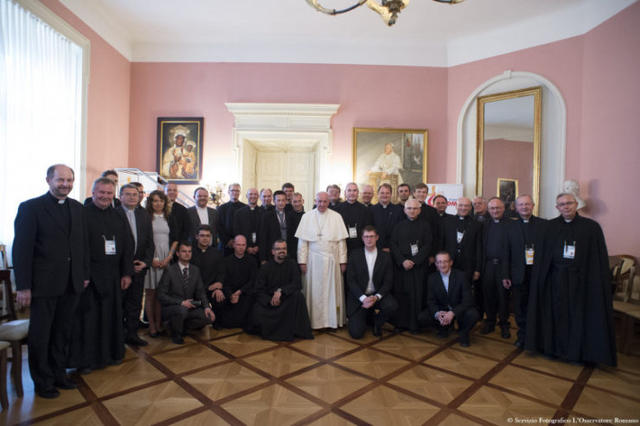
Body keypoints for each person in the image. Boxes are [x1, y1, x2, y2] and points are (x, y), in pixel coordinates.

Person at [13, 164, 88, 398]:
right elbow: (21, 250)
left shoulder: (77, 208)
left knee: (62, 332)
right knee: (41, 335)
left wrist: (84, 274)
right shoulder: (31, 208)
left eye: (69, 180)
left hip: (71, 283)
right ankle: (42, 381)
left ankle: (59, 374)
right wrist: (23, 286)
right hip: (43, 285)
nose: (65, 184)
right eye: (60, 180)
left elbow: (82, 245)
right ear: (48, 180)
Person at [526, 193, 617, 366]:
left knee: (578, 317)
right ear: (557, 207)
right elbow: (542, 258)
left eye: (569, 203)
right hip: (555, 281)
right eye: (562, 204)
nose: (566, 207)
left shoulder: (591, 228)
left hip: (581, 282)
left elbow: (597, 259)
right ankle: (553, 350)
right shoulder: (548, 227)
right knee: (554, 315)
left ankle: (578, 353)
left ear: (576, 205)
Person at [69, 177, 133, 374]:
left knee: (111, 316)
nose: (105, 196)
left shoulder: (118, 215)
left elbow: (128, 245)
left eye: (108, 193)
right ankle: (87, 360)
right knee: (89, 319)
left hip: (113, 275)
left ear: (113, 195)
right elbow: (77, 247)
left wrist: (127, 273)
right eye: (101, 192)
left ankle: (111, 354)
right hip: (90, 277)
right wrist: (83, 274)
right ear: (93, 192)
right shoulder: (82, 213)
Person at [296, 192, 348, 329]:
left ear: (328, 202)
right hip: (313, 261)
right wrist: (302, 261)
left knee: (332, 292)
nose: (322, 204)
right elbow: (302, 242)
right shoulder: (306, 217)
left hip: (332, 260)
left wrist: (343, 261)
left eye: (325, 201)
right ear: (315, 201)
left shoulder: (337, 217)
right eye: (319, 201)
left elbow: (341, 242)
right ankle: (314, 321)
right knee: (314, 292)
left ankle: (332, 321)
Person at [501, 195, 546, 348]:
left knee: (537, 306)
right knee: (519, 308)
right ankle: (522, 336)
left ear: (533, 206)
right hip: (518, 275)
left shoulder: (544, 225)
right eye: (521, 205)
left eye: (527, 204)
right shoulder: (510, 227)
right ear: (516, 207)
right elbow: (505, 252)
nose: (524, 207)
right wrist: (505, 275)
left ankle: (537, 338)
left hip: (538, 274)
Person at [249, 240, 313, 341]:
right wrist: (270, 301)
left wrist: (281, 291)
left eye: (284, 249)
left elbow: (297, 284)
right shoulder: (266, 267)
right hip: (270, 303)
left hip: (285, 299)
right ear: (273, 251)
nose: (281, 251)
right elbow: (258, 290)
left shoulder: (292, 264)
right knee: (256, 310)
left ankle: (296, 331)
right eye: (278, 249)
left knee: (299, 296)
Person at [118, 184, 155, 347]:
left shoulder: (144, 215)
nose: (132, 197)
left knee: (135, 302)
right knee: (119, 304)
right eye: (128, 194)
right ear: (120, 197)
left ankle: (132, 334)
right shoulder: (114, 214)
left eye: (135, 194)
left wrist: (145, 262)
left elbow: (149, 242)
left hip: (139, 267)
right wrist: (125, 265)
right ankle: (118, 336)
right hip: (119, 269)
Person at [157, 242, 216, 344]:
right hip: (173, 307)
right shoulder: (170, 271)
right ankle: (176, 334)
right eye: (184, 251)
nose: (187, 254)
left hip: (190, 306)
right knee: (182, 310)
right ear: (178, 254)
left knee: (208, 317)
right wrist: (181, 302)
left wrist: (207, 307)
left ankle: (181, 327)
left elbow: (200, 292)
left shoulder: (195, 270)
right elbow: (161, 295)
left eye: (189, 251)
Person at [346, 226, 398, 338]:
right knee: (356, 334)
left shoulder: (385, 256)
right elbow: (351, 280)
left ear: (377, 238)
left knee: (392, 306)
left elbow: (388, 281)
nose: (369, 239)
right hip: (359, 298)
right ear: (362, 238)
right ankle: (368, 316)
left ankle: (377, 323)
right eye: (366, 236)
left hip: (377, 296)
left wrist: (376, 297)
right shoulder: (354, 255)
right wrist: (364, 299)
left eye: (371, 236)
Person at [390, 199, 433, 332]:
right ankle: (401, 324)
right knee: (402, 295)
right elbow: (393, 244)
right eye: (409, 208)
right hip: (402, 267)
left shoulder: (426, 226)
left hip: (418, 267)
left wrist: (414, 261)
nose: (412, 211)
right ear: (404, 210)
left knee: (418, 295)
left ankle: (416, 325)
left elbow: (428, 245)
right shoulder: (399, 226)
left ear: (419, 210)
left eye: (415, 208)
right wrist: (402, 261)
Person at [420, 252, 479, 347]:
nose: (442, 265)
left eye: (445, 262)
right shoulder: (432, 278)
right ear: (436, 264)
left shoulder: (461, 276)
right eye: (439, 262)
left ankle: (463, 333)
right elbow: (430, 301)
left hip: (458, 309)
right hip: (442, 309)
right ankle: (444, 328)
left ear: (451, 262)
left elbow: (468, 300)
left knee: (473, 314)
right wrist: (438, 314)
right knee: (423, 317)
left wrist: (453, 313)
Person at [144, 190, 178, 338]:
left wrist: (169, 257)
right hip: (151, 257)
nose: (158, 203)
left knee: (161, 294)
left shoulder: (169, 217)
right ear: (150, 203)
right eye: (155, 201)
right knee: (151, 294)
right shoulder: (146, 217)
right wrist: (151, 259)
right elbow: (143, 240)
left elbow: (175, 238)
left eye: (161, 201)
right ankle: (151, 325)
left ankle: (159, 324)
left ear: (165, 202)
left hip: (166, 257)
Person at [440, 197, 482, 312]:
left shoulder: (476, 225)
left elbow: (479, 248)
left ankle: (462, 317)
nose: (463, 208)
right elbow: (441, 244)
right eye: (461, 205)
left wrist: (477, 269)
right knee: (448, 291)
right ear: (456, 206)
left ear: (470, 207)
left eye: (466, 206)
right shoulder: (447, 222)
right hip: (448, 264)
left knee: (465, 293)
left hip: (468, 266)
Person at [480, 197, 511, 338]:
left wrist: (507, 273)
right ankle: (490, 321)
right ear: (488, 210)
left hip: (504, 267)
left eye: (498, 208)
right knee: (488, 295)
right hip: (488, 266)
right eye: (492, 208)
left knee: (503, 298)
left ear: (503, 209)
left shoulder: (511, 225)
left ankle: (504, 324)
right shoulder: (484, 225)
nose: (495, 211)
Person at [218, 235, 258, 329]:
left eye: (243, 245)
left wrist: (239, 292)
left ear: (246, 246)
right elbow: (224, 281)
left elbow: (253, 280)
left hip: (245, 293)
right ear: (234, 245)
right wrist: (231, 295)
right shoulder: (226, 261)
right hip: (230, 293)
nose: (241, 247)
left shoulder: (252, 261)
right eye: (238, 244)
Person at [190, 225, 225, 311]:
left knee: (220, 298)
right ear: (197, 237)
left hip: (211, 291)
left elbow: (221, 272)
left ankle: (213, 323)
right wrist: (207, 288)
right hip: (194, 293)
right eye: (202, 235)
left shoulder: (217, 253)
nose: (205, 238)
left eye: (208, 236)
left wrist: (218, 287)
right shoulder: (190, 253)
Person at [335, 183, 374, 253]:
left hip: (359, 245)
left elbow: (367, 228)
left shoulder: (365, 209)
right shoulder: (338, 209)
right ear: (345, 193)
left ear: (358, 193)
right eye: (349, 190)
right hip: (342, 244)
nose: (352, 193)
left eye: (354, 190)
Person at [260, 190, 296, 263]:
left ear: (286, 201)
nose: (281, 203)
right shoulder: (267, 216)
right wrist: (263, 258)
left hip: (287, 252)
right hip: (272, 253)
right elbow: (263, 237)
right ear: (274, 201)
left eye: (283, 200)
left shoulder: (291, 215)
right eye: (278, 200)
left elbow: (293, 236)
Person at [369, 183, 404, 252]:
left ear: (391, 195)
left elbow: (400, 231)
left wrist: (391, 247)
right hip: (375, 248)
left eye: (387, 193)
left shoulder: (398, 210)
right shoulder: (371, 210)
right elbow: (370, 230)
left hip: (394, 249)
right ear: (378, 194)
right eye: (382, 193)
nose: (384, 195)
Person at [217, 183, 246, 255]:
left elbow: (246, 227)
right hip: (225, 245)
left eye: (237, 191)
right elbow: (219, 226)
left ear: (240, 192)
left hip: (241, 244)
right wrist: (228, 241)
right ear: (228, 192)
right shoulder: (221, 208)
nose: (235, 192)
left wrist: (238, 241)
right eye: (233, 190)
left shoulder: (245, 208)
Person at [233, 188, 262, 259]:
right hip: (243, 250)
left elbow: (265, 232)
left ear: (258, 196)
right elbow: (236, 231)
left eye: (255, 194)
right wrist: (247, 247)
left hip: (260, 251)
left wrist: (259, 246)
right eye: (251, 194)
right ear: (247, 196)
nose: (253, 196)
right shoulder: (239, 213)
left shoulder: (263, 212)